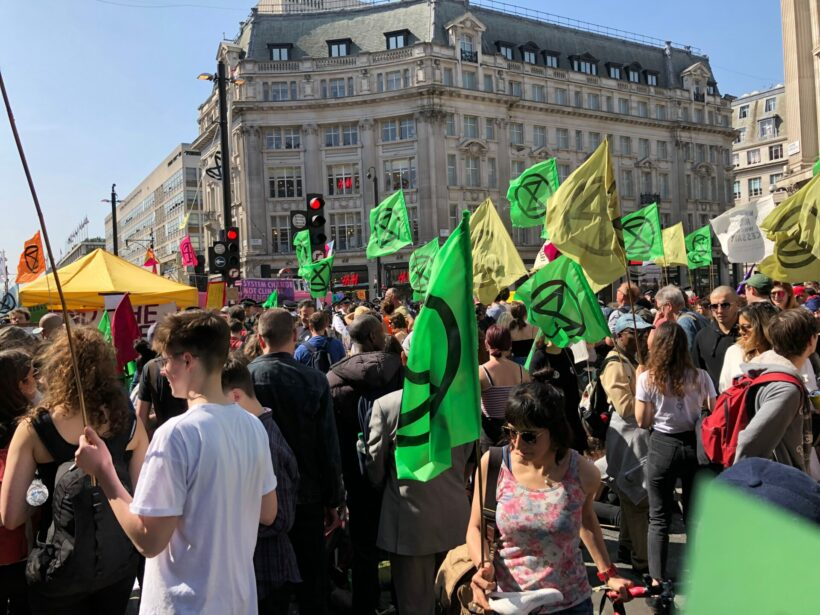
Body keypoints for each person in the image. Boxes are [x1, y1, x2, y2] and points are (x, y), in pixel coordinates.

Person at [73, 310, 277, 614]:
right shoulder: (253, 426)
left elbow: (148, 540)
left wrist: (104, 471)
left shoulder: (176, 434)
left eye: (165, 360)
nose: (163, 370)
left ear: (187, 361)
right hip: (238, 602)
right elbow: (268, 511)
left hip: (185, 604)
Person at [1, 327, 150, 614]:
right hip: (117, 564)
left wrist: (44, 494)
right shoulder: (130, 423)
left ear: (56, 369)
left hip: (58, 569)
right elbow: (142, 497)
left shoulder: (33, 428)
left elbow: (11, 516)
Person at [468, 377, 633, 614]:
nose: (517, 444)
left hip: (570, 604)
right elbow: (476, 527)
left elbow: (585, 519)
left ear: (554, 431)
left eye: (529, 436)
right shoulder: (493, 464)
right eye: (510, 432)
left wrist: (608, 574)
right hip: (509, 602)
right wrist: (483, 565)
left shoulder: (582, 472)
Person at [249, 308, 344, 615]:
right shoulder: (313, 380)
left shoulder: (245, 379)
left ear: (260, 339)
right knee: (312, 582)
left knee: (266, 588)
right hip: (307, 494)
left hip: (259, 498)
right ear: (294, 336)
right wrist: (333, 499)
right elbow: (328, 447)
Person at [366, 388, 471, 615]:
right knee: (455, 599)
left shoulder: (387, 405)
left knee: (414, 605)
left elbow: (375, 467)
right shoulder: (462, 401)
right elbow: (468, 457)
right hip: (455, 518)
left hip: (409, 522)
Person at [327, 315, 403, 615]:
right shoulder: (401, 372)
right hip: (398, 473)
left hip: (354, 476)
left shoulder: (333, 379)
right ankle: (401, 601)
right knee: (400, 543)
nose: (386, 335)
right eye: (381, 332)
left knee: (363, 547)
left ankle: (365, 605)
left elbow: (330, 438)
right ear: (373, 336)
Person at [635, 322, 716, 583]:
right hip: (694, 445)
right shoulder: (701, 376)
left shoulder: (647, 378)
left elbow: (642, 421)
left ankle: (657, 580)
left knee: (659, 518)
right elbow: (713, 410)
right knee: (694, 516)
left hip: (662, 444)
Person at [222, 355, 300, 615]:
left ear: (235, 397)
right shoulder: (257, 430)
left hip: (267, 573)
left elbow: (281, 518)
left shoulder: (263, 439)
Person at [600, 314, 653, 575]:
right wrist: (645, 390)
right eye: (634, 333)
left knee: (629, 496)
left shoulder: (632, 360)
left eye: (643, 333)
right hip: (627, 437)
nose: (641, 337)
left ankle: (627, 545)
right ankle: (642, 559)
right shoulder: (615, 364)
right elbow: (625, 407)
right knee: (636, 499)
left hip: (635, 436)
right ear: (620, 336)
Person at [735, 308, 817, 473]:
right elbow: (750, 441)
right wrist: (738, 480)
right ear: (810, 341)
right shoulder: (786, 389)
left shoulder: (767, 369)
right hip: (778, 479)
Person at [0, 349, 39, 615]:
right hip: (18, 546)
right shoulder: (27, 428)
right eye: (31, 377)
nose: (36, 381)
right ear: (18, 384)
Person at [528, 337, 587, 454]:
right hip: (555, 424)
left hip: (573, 420)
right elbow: (535, 393)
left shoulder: (568, 353)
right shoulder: (540, 357)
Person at [478, 325, 530, 452]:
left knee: (490, 464)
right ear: (509, 344)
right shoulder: (522, 371)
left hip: (490, 433)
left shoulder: (481, 372)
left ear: (486, 344)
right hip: (516, 431)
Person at [718, 302, 779, 392]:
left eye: (746, 327)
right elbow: (725, 389)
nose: (741, 331)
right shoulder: (734, 352)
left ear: (764, 327)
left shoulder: (783, 353)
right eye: (739, 327)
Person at [691, 286, 740, 388]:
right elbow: (697, 373)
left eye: (725, 305)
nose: (719, 310)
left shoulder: (749, 334)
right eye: (714, 306)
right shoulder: (702, 337)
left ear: (737, 304)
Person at [652, 285, 708, 353]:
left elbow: (688, 353)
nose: (660, 312)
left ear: (669, 306)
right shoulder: (698, 316)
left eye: (660, 308)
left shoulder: (683, 323)